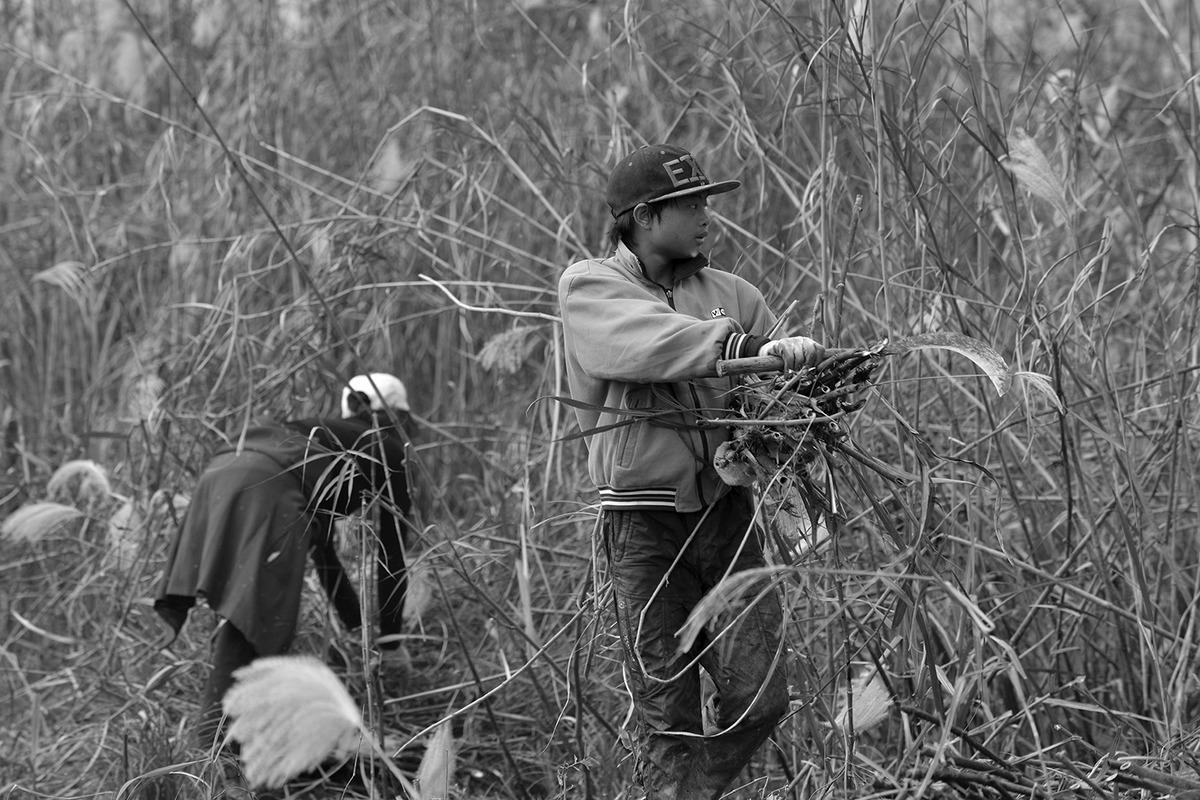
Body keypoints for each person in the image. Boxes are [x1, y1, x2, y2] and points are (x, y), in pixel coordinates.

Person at [557, 143, 825, 799]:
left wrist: (806, 401)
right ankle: (678, 788)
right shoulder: (590, 285)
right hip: (642, 525)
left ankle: (686, 793)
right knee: (667, 715)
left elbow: (773, 402)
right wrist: (743, 349)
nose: (709, 215)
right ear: (645, 216)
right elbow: (644, 341)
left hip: (727, 516)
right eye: (693, 203)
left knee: (762, 695)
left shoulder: (733, 294)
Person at [155, 372, 414, 747]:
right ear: (396, 416)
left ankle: (234, 738)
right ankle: (209, 753)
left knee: (242, 601)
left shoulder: (321, 437)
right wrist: (390, 645)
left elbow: (322, 551)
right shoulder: (388, 448)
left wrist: (357, 626)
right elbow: (392, 557)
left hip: (223, 470)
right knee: (254, 613)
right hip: (268, 488)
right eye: (404, 420)